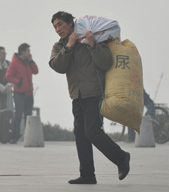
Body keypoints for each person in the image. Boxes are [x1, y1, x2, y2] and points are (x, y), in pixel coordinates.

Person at [49, 11, 130, 184]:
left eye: (60, 24)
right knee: (81, 135)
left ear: (71, 23)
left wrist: (93, 44)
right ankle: (87, 174)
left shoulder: (88, 41)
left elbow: (105, 62)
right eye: (55, 26)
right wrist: (68, 47)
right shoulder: (60, 46)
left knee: (92, 132)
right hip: (76, 95)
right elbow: (58, 66)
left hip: (94, 93)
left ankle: (121, 158)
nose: (58, 29)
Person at [5, 43, 39, 144]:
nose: (29, 53)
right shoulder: (14, 62)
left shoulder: (28, 62)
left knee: (28, 115)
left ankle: (27, 137)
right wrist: (18, 82)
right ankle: (14, 137)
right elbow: (8, 76)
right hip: (19, 93)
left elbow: (36, 71)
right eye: (28, 51)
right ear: (22, 52)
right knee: (18, 115)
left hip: (29, 92)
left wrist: (31, 61)